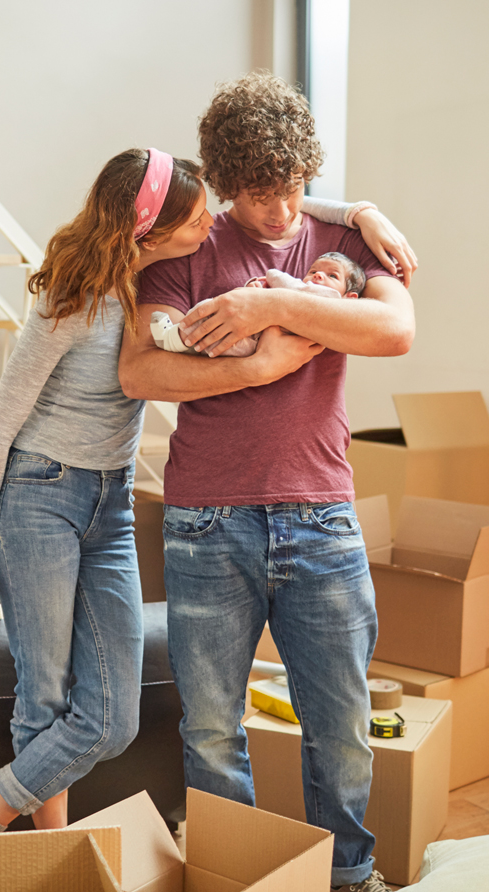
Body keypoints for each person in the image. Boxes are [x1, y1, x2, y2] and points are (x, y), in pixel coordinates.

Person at [0, 146, 410, 838]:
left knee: (113, 718)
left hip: (111, 504)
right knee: (45, 695)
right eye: (192, 221)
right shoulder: (68, 300)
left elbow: (273, 205)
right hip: (40, 494)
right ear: (145, 230)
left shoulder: (154, 280)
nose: (210, 225)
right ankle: (32, 853)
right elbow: (0, 426)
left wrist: (360, 212)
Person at [118, 73, 416, 892]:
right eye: (258, 196)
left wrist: (264, 304)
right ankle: (231, 874)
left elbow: (394, 329)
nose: (280, 213)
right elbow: (142, 371)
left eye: (291, 192)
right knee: (214, 729)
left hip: (322, 515)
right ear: (223, 183)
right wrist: (265, 354)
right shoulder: (188, 249)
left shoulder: (344, 244)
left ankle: (349, 876)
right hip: (207, 524)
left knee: (344, 727)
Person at [150, 250, 366, 357]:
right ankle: (176, 337)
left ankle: (173, 340)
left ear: (349, 298)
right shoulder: (302, 291)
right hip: (255, 333)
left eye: (332, 276)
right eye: (313, 271)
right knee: (215, 310)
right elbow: (268, 299)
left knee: (219, 337)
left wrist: (272, 276)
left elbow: (289, 288)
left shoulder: (330, 300)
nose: (319, 275)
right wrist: (256, 287)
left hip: (256, 342)